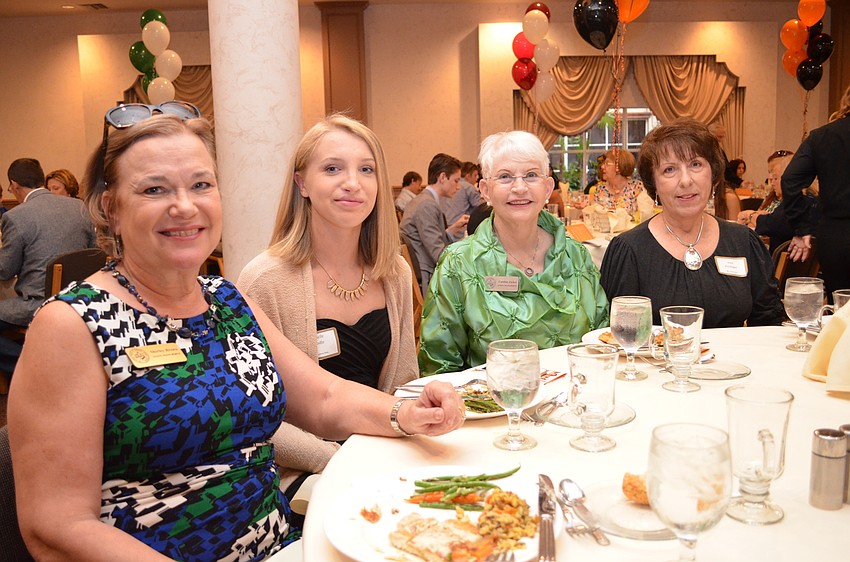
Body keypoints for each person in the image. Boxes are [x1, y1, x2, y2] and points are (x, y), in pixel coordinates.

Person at [8, 105, 464, 561]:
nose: (185, 206)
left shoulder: (226, 299)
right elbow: (56, 526)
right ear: (112, 208)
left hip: (282, 544)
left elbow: (324, 398)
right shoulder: (71, 323)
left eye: (201, 185)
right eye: (154, 189)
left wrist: (406, 412)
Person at [237, 114, 418, 494]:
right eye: (333, 168)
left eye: (366, 169)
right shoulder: (265, 280)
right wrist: (336, 459)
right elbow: (256, 415)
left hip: (386, 452)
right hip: (304, 470)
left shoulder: (394, 271)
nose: (352, 183)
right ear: (302, 183)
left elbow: (404, 385)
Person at [418, 131, 609, 375]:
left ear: (547, 187)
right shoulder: (459, 264)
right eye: (505, 177)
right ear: (485, 190)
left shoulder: (576, 255)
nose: (519, 188)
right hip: (495, 407)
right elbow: (438, 365)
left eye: (531, 175)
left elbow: (601, 339)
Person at [600, 118, 785, 328]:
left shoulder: (743, 241)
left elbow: (768, 322)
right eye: (669, 169)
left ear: (713, 175)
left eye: (695, 164)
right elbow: (617, 336)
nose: (686, 180)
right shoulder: (629, 250)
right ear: (654, 184)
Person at [0, 158, 96, 373]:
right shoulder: (79, 207)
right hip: (80, 298)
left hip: (38, 303)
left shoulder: (15, 216)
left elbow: (6, 270)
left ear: (14, 185)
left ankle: (36, 369)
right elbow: (94, 252)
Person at [782, 84, 850, 301]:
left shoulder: (822, 136)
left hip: (837, 236)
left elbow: (790, 180)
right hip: (835, 231)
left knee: (842, 307)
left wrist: (802, 227)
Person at [399, 153, 469, 294]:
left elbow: (429, 240)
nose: (459, 187)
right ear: (442, 177)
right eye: (456, 181)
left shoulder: (423, 200)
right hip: (427, 276)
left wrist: (453, 229)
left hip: (424, 269)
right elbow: (438, 253)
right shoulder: (427, 205)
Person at [738, 150, 820, 255]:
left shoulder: (795, 204)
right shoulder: (815, 201)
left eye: (776, 178)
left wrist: (749, 214)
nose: (772, 183)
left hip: (782, 269)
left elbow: (769, 224)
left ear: (789, 178)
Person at [589, 148, 644, 216]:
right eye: (603, 163)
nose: (602, 167)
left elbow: (645, 217)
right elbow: (593, 217)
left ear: (620, 166)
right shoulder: (600, 190)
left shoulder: (637, 188)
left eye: (607, 164)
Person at [441, 161, 481, 241]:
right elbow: (480, 209)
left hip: (445, 228)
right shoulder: (469, 188)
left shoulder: (445, 188)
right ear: (468, 175)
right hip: (461, 231)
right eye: (475, 175)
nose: (477, 178)